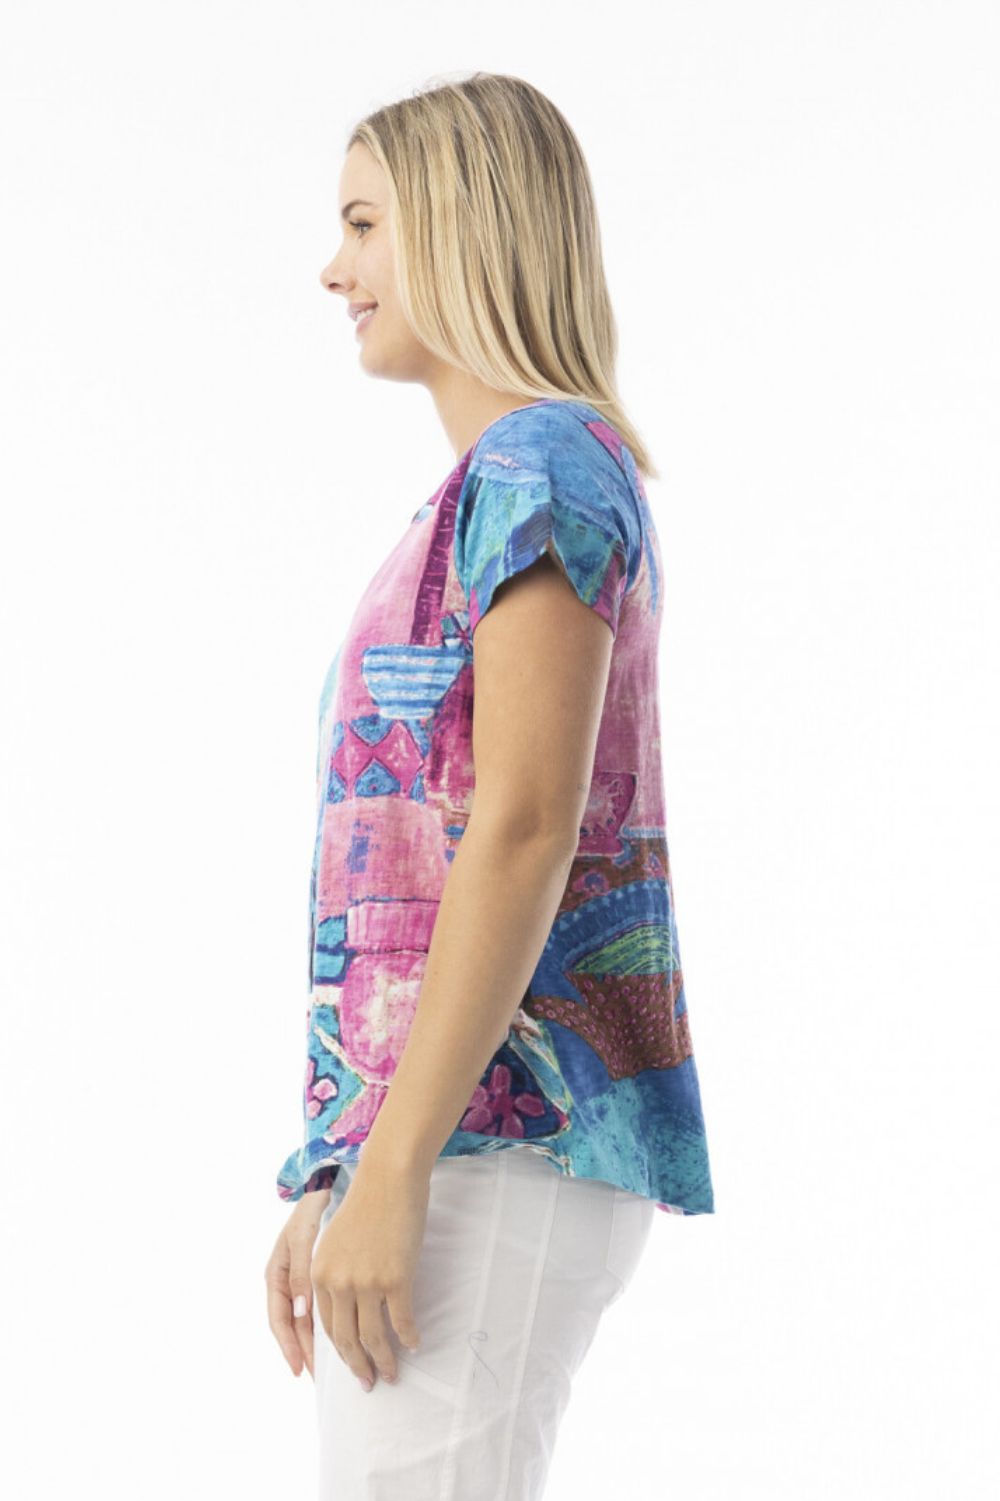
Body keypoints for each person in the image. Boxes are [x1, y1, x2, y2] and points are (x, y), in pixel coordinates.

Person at [264, 70, 715, 1498]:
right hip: (455, 1139)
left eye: (363, 225)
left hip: (495, 1143)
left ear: (460, 230)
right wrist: (344, 1163)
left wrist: (395, 1166)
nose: (333, 268)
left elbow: (522, 826)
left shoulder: (542, 469)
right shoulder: (500, 486)